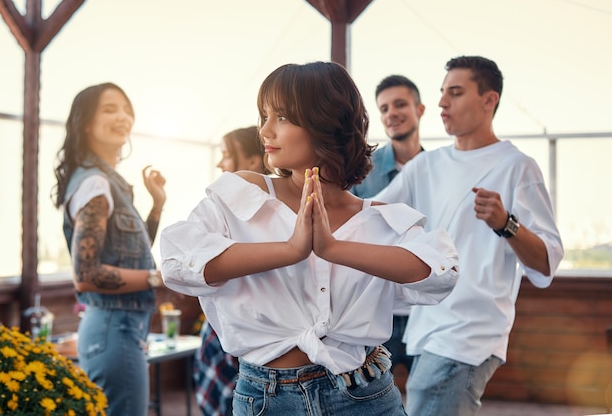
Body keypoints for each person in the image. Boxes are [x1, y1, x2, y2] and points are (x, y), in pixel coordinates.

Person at [160, 61, 459, 416]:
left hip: (364, 396)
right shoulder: (245, 194)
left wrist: (335, 249)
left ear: (327, 122)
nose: (266, 130)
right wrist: (289, 250)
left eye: (282, 117)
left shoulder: (380, 216)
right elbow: (177, 262)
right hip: (265, 400)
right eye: (263, 115)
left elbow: (442, 274)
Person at [374, 56, 564, 416]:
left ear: (489, 100)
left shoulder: (517, 166)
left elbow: (547, 261)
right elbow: (369, 214)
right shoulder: (425, 166)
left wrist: (507, 224)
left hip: (472, 334)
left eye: (456, 93)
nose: (444, 103)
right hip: (427, 326)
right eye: (443, 93)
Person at [53, 82, 166, 416]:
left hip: (115, 328)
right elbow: (86, 276)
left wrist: (157, 206)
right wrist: (158, 278)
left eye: (126, 109)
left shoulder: (101, 180)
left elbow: (127, 252)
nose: (122, 117)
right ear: (85, 122)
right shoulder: (95, 183)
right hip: (114, 329)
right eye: (109, 109)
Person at [351, 74, 426, 379]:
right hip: (376, 306)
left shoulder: (438, 170)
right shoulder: (361, 170)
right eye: (383, 108)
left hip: (427, 307)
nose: (391, 113)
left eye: (399, 104)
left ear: (419, 109)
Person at [195, 125, 268, 416]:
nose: (219, 163)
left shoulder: (252, 217)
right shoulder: (221, 210)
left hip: (241, 342)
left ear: (253, 161)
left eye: (226, 155)